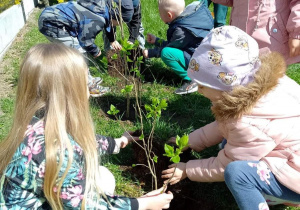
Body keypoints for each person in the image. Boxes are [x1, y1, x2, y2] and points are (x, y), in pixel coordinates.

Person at [0, 43, 173, 209]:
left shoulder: (35, 124)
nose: (89, 89)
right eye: (86, 82)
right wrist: (142, 204)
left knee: (103, 177)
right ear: (72, 94)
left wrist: (118, 142)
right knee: (102, 180)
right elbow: (86, 205)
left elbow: (82, 143)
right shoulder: (55, 152)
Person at [161, 26, 300, 209]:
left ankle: (276, 196)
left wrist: (188, 169)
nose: (199, 90)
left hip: (295, 175)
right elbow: (223, 125)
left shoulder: (246, 122)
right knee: (231, 143)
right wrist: (189, 141)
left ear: (227, 87)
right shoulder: (260, 87)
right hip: (291, 152)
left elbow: (225, 164)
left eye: (202, 85)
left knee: (237, 173)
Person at [38, 0, 124, 97]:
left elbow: (107, 25)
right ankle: (88, 86)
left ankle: (88, 78)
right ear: (116, 19)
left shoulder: (102, 10)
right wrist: (96, 51)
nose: (120, 25)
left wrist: (112, 40)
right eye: (120, 23)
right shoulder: (98, 20)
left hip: (51, 16)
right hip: (52, 24)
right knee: (78, 55)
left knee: (78, 52)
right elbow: (85, 41)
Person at [142, 0, 214, 95]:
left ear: (169, 15)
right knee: (170, 50)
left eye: (160, 13)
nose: (159, 15)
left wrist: (151, 53)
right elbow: (175, 44)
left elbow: (170, 48)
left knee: (166, 53)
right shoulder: (191, 18)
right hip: (207, 59)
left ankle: (193, 80)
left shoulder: (181, 30)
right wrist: (157, 41)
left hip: (201, 63)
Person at [210, 0, 300, 65]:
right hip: (240, 32)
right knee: (239, 75)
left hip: (271, 35)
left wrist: (296, 32)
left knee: (267, 77)